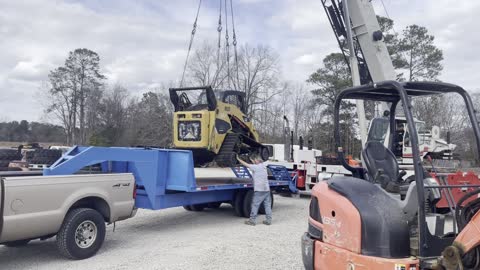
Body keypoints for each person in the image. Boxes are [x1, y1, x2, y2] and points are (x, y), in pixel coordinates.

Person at [236, 155, 272, 226]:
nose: (253, 162)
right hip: (266, 189)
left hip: (259, 190)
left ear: (257, 160)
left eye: (254, 160)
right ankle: (268, 220)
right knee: (267, 205)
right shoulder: (264, 166)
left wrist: (238, 159)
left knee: (255, 205)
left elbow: (246, 165)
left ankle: (252, 221)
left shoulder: (256, 167)